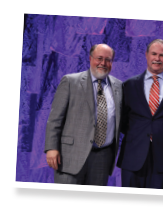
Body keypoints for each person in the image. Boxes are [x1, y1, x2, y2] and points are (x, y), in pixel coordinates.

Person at [44, 44, 122, 185]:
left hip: (102, 158)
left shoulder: (118, 86)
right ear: (90, 58)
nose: (103, 63)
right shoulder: (70, 81)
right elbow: (55, 119)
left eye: (108, 60)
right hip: (70, 156)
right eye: (99, 58)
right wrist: (51, 147)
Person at [117, 39, 163, 189]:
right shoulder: (129, 85)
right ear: (146, 55)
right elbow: (123, 121)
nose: (157, 58)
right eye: (154, 54)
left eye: (162, 55)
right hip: (133, 155)